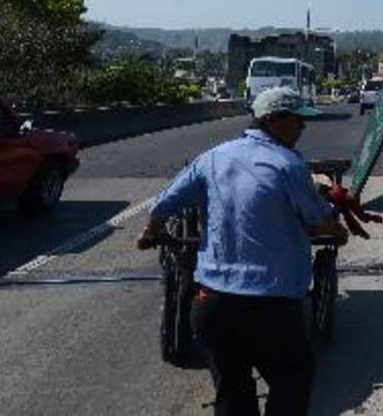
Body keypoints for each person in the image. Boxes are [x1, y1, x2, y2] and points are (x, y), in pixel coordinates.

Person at [138, 86, 348, 416]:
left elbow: (162, 205)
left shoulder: (212, 157)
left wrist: (151, 233)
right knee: (292, 377)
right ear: (274, 120)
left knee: (232, 389)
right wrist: (339, 232)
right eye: (297, 120)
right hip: (272, 309)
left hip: (212, 306)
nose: (303, 128)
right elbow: (320, 223)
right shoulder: (288, 164)